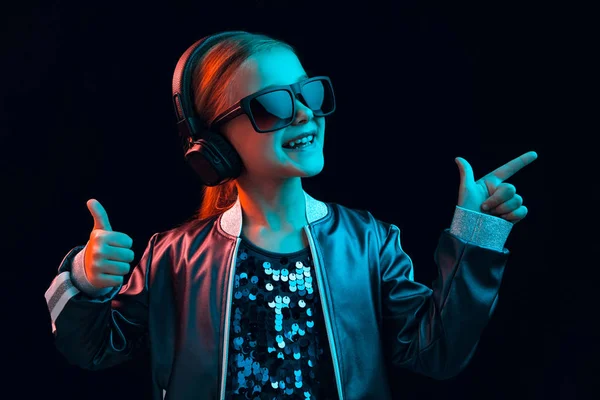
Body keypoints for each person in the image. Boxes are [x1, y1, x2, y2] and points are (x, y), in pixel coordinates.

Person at [44, 31, 538, 400]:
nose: (304, 113)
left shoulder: (370, 242)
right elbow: (95, 349)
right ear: (212, 146)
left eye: (309, 93)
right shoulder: (172, 256)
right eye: (273, 104)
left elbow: (437, 353)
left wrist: (476, 235)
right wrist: (85, 282)